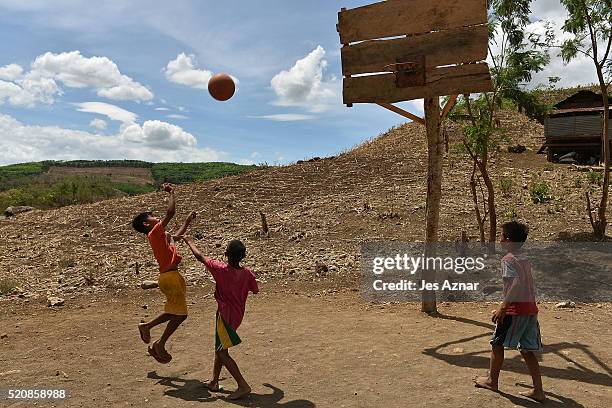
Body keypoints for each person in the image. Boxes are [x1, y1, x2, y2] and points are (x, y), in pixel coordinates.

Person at [474, 221, 544, 403]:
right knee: (528, 351)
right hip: (530, 310)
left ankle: (491, 381)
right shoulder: (524, 259)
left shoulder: (507, 260)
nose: (500, 239)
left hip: (515, 311)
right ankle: (538, 391)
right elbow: (521, 282)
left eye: (503, 236)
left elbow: (516, 284)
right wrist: (498, 287)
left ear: (509, 241)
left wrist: (502, 307)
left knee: (497, 344)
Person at [181, 236, 258, 400]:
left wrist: (189, 241)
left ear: (226, 254)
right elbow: (255, 290)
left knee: (222, 352)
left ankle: (243, 385)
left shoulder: (221, 269)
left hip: (224, 316)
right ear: (243, 256)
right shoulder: (248, 274)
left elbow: (200, 257)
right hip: (237, 315)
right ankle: (214, 382)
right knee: (220, 348)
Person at [131, 183, 196, 364]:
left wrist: (187, 222)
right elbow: (170, 213)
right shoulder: (154, 232)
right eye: (151, 216)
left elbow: (174, 236)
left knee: (173, 312)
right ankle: (160, 343)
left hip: (171, 277)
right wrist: (172, 193)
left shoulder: (158, 235)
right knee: (181, 315)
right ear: (146, 223)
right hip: (170, 277)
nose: (155, 216)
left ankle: (147, 327)